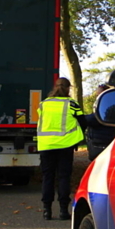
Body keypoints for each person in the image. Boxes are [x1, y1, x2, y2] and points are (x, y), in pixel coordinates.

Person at [36, 77, 86, 221]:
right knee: (64, 177)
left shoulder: (43, 104)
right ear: (68, 88)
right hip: (65, 145)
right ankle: (64, 211)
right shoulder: (71, 104)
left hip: (46, 145)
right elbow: (83, 122)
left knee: (48, 177)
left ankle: (47, 210)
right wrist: (77, 137)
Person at [83, 84, 115, 162]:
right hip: (100, 139)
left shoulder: (106, 106)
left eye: (98, 94)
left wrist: (82, 118)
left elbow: (95, 119)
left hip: (100, 141)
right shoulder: (110, 105)